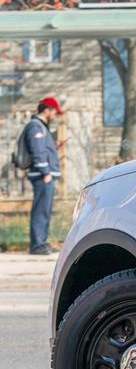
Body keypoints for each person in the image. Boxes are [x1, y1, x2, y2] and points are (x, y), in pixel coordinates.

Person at [24, 96, 62, 255]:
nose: (55, 115)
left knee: (44, 209)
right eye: (54, 112)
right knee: (41, 210)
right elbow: (37, 151)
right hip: (42, 176)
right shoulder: (36, 127)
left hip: (44, 175)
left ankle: (41, 242)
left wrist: (53, 146)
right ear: (46, 110)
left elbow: (42, 148)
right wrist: (45, 172)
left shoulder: (42, 127)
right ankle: (37, 245)